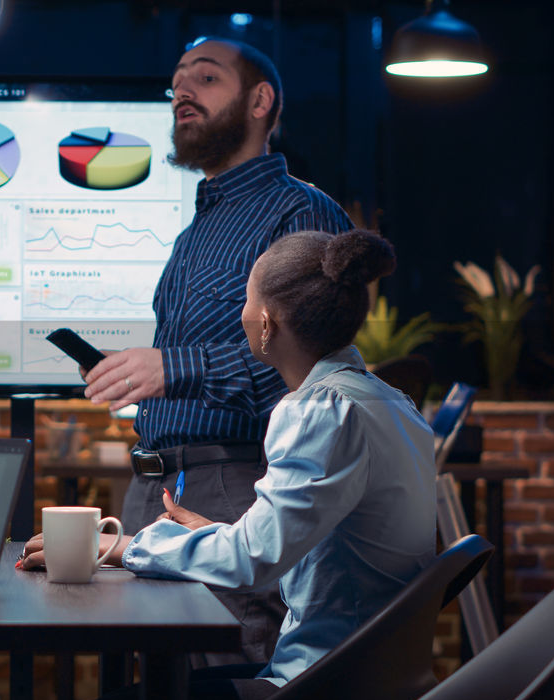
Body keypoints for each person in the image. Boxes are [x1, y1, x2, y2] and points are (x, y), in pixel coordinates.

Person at [24, 229, 436, 700]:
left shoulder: (318, 412)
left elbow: (252, 561)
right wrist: (221, 534)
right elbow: (309, 545)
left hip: (318, 689)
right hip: (372, 680)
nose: (240, 314)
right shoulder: (393, 404)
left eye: (245, 297)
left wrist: (116, 546)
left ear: (266, 323)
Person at [78, 37, 354, 665]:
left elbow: (310, 372)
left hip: (236, 484)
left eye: (206, 78)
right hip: (154, 487)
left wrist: (174, 368)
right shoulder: (194, 231)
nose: (183, 91)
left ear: (261, 101)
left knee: (223, 687)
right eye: (177, 81)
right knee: (152, 692)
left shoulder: (299, 210)